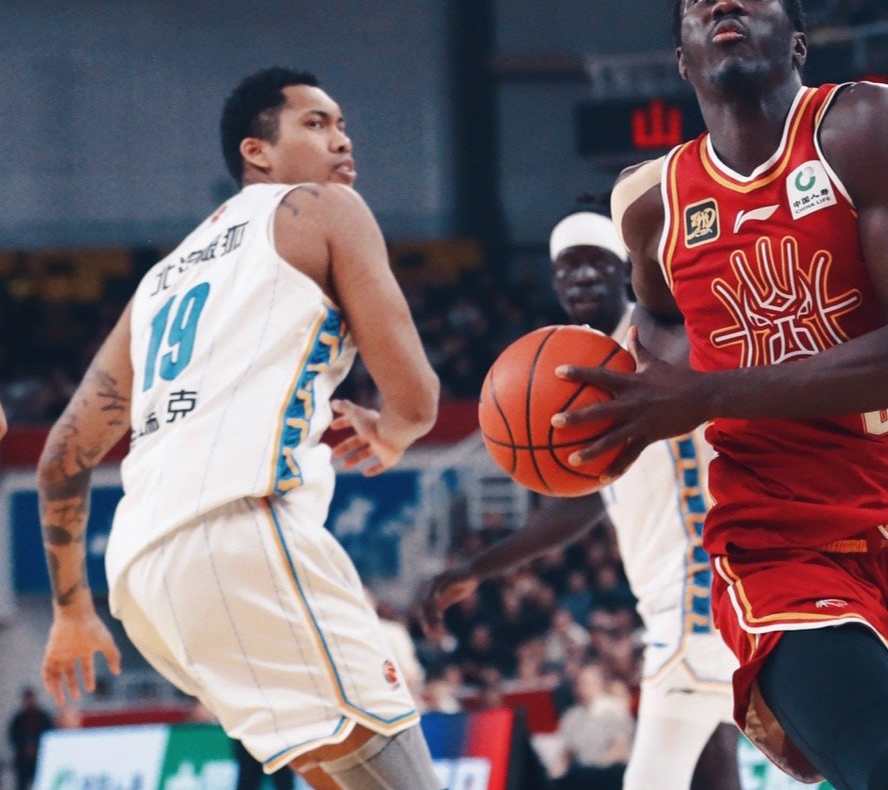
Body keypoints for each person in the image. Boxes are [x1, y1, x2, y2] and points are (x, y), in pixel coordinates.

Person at [556, 0, 888, 787]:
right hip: (776, 538)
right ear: (682, 56)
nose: (727, 5)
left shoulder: (866, 127)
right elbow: (657, 325)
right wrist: (639, 402)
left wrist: (705, 391)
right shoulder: (654, 208)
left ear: (795, 42)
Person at [35, 68, 444, 790]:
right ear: (257, 152)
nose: (341, 138)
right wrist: (395, 431)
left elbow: (62, 454)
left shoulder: (158, 283)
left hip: (141, 579)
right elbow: (416, 397)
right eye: (315, 123)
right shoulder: (324, 208)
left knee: (344, 774)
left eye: (342, 123)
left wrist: (72, 611)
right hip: (241, 528)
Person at [418, 211, 741, 790]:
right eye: (568, 268)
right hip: (671, 590)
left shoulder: (655, 342)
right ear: (554, 282)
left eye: (598, 262)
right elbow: (581, 499)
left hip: (699, 582)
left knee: (660, 774)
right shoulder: (575, 366)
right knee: (714, 749)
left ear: (625, 271)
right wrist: (479, 566)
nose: (583, 276)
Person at [8, 688, 51, 790]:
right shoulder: (18, 719)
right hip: (23, 759)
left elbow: (49, 734)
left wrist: (38, 747)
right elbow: (13, 736)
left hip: (40, 757)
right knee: (22, 784)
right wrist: (24, 747)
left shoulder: (43, 717)